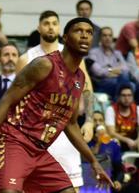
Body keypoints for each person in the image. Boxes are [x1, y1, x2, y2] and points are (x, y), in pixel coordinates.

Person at [0, 18, 114, 191]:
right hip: (13, 141)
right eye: (79, 31)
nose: (85, 36)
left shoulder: (79, 79)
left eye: (89, 32)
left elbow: (71, 123)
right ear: (65, 38)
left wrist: (93, 162)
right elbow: (5, 101)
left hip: (40, 150)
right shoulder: (44, 64)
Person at [15, 11, 95, 191]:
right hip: (34, 132)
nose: (50, 27)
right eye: (46, 23)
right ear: (39, 28)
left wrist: (89, 121)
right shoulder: (26, 58)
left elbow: (88, 90)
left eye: (54, 23)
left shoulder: (74, 55)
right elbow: (16, 99)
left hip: (64, 129)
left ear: (60, 29)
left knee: (72, 186)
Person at [88, 27, 131, 98]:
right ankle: (118, 104)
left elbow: (126, 69)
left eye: (110, 35)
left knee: (131, 84)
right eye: (104, 35)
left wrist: (109, 71)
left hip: (117, 79)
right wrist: (112, 70)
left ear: (112, 38)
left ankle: (118, 103)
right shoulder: (93, 53)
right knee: (120, 82)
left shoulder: (117, 53)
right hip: (101, 82)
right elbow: (98, 72)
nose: (107, 38)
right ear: (100, 38)